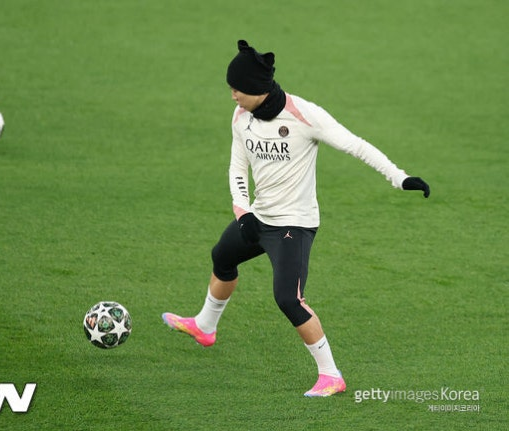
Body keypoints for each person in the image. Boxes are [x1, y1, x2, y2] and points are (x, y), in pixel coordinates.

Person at [162, 40, 430, 397]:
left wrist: (399, 178)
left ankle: (331, 375)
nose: (233, 96)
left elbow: (356, 145)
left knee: (289, 299)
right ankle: (205, 326)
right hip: (258, 217)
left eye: (237, 89)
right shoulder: (241, 116)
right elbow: (237, 167)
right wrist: (243, 211)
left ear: (258, 89)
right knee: (222, 257)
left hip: (294, 225)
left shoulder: (305, 115)